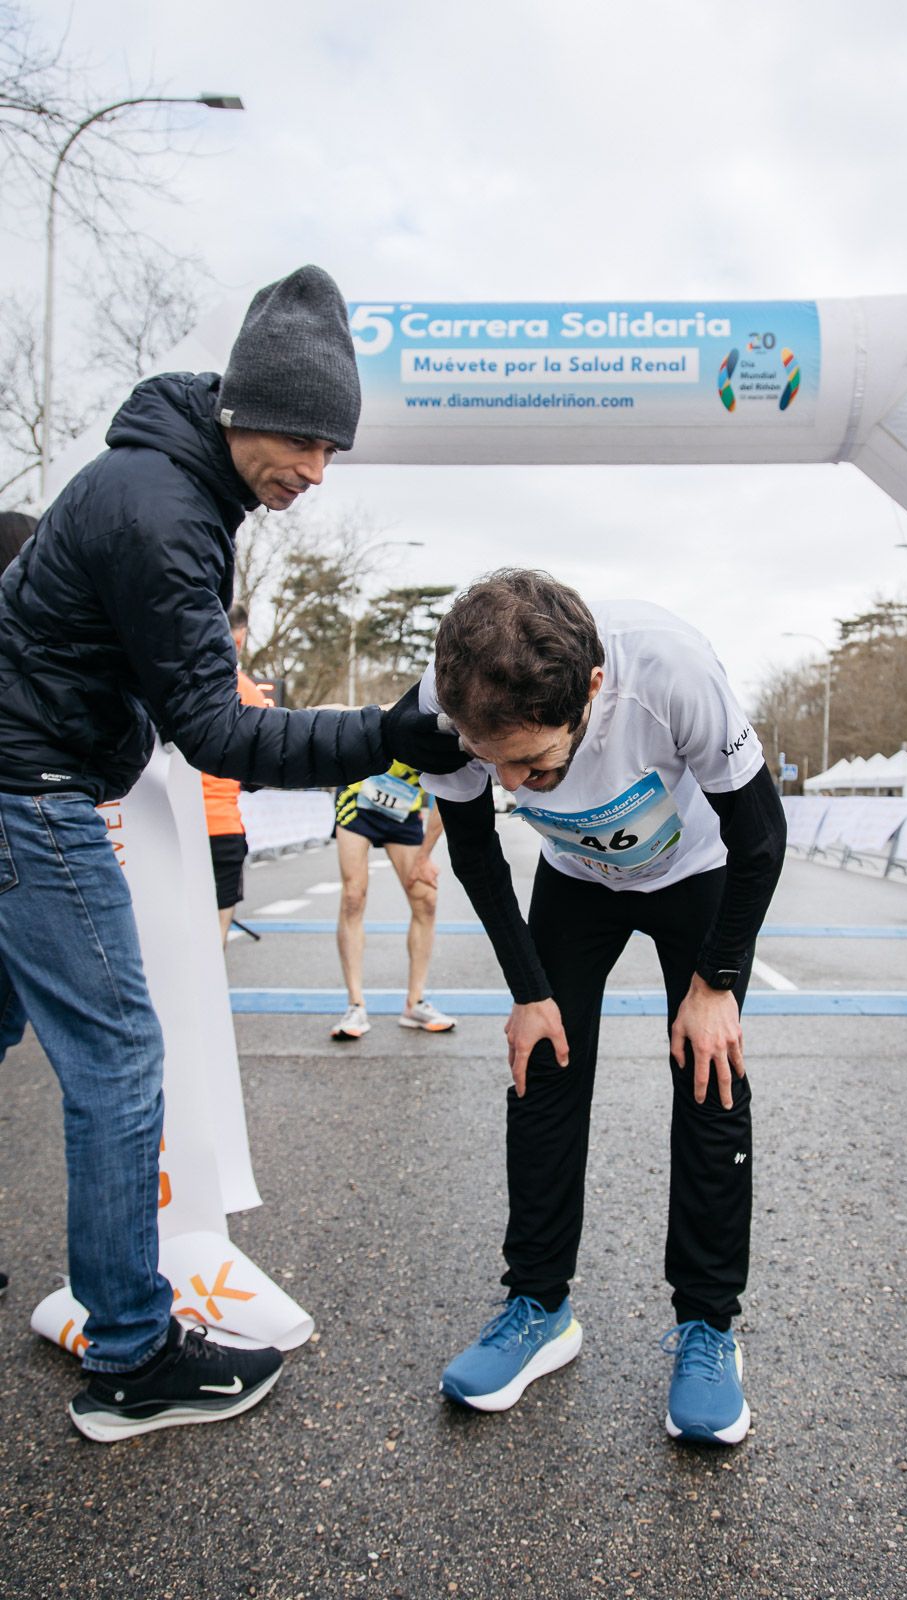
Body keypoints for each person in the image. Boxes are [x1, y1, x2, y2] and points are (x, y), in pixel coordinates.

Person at [0, 265, 465, 1443]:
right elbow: (215, 729)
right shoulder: (163, 513)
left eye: (332, 449)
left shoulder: (163, 483)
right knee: (117, 1058)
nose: (314, 470)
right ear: (241, 407)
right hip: (27, 790)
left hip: (17, 773)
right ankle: (131, 1354)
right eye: (303, 438)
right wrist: (387, 733)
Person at [418, 569, 786, 1444]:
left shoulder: (670, 673)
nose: (514, 787)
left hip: (695, 874)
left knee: (709, 1075)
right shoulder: (445, 702)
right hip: (577, 883)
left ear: (590, 690)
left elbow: (761, 836)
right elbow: (474, 853)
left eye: (533, 761)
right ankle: (538, 1307)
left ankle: (707, 1327)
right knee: (539, 1069)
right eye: (492, 764)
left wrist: (717, 985)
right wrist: (527, 992)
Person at [331, 763, 456, 1039]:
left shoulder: (458, 738)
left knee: (426, 900)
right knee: (353, 896)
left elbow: (449, 796)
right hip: (359, 796)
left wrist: (424, 857)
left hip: (403, 809)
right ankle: (355, 1005)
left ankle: (415, 1003)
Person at [202, 602, 271, 944]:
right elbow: (259, 772)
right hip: (219, 826)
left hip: (160, 827)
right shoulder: (246, 690)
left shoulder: (159, 681)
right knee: (213, 942)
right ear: (240, 636)